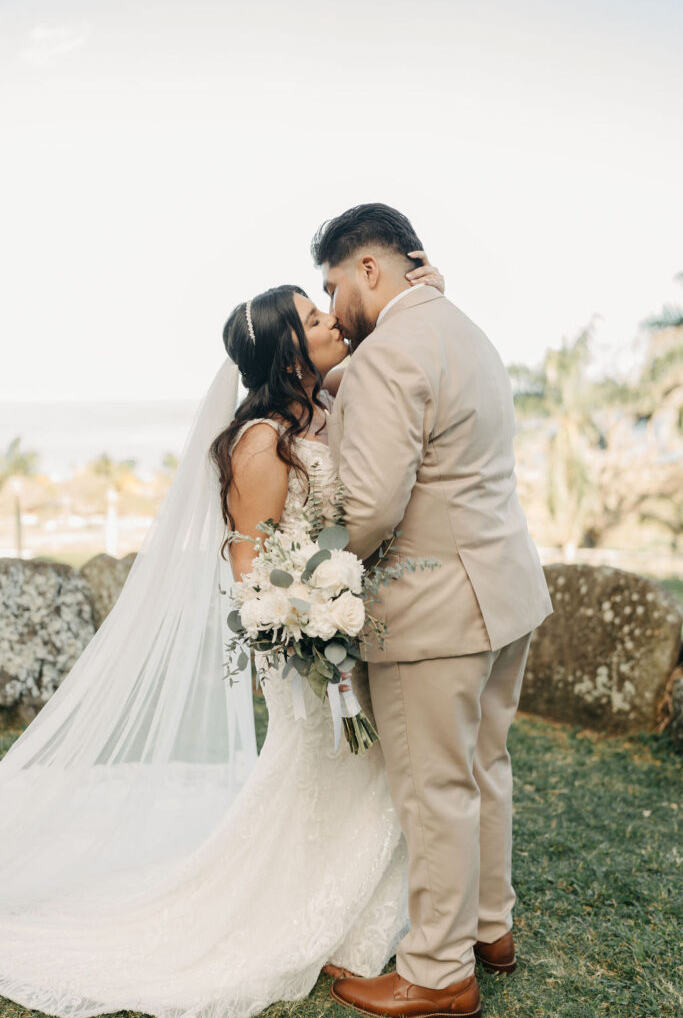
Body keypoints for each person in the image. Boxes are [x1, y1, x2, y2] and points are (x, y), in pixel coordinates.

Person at [0, 249, 447, 1018]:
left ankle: (351, 923)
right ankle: (283, 919)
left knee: (372, 778)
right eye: (313, 319)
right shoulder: (261, 443)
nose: (331, 321)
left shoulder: (328, 406)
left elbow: (390, 360)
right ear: (287, 351)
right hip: (303, 642)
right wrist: (308, 623)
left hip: (347, 627)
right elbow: (250, 570)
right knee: (326, 777)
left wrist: (425, 291)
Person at [311, 203, 553, 1018]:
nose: (333, 301)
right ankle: (492, 926)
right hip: (503, 592)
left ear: (369, 270)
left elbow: (373, 506)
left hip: (433, 610)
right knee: (484, 765)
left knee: (434, 789)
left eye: (333, 283)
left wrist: (311, 564)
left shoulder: (388, 359)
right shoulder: (463, 332)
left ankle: (438, 970)